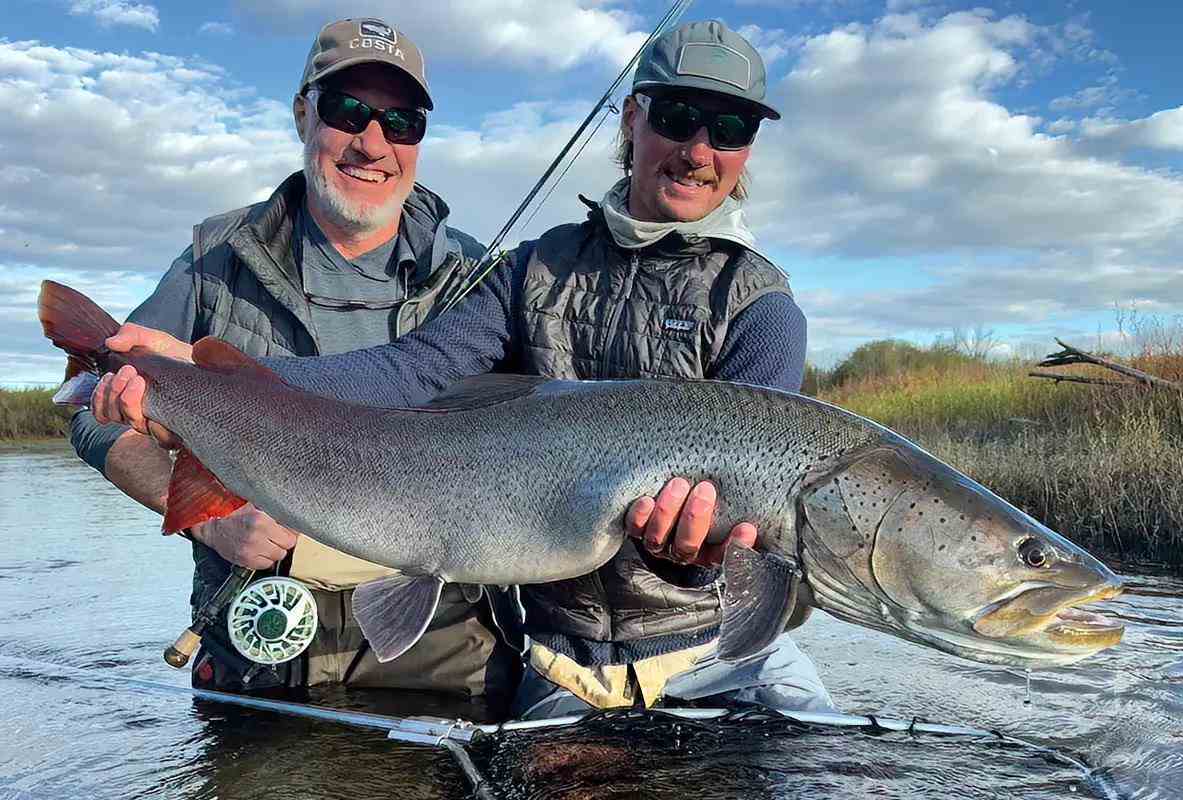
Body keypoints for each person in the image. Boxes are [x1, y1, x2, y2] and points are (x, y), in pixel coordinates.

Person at [91, 20, 837, 718]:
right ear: (632, 120)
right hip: (562, 660)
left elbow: (764, 541)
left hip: (721, 650)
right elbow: (416, 369)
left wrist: (694, 559)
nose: (700, 150)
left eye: (730, 129)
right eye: (676, 118)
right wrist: (205, 375)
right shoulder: (528, 271)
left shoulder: (762, 307)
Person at [70, 17, 524, 705]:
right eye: (349, 112)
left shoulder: (479, 280)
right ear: (303, 113)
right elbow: (87, 406)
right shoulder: (215, 259)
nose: (373, 143)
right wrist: (208, 519)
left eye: (401, 122)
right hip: (259, 629)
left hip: (447, 644)